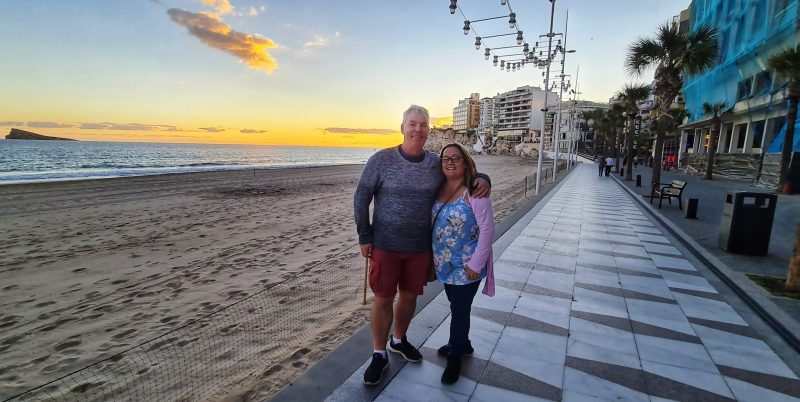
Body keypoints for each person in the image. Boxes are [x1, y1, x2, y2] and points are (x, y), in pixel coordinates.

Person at [354, 105, 491, 386]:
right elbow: (361, 197)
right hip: (384, 245)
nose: (418, 129)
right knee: (382, 299)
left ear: (429, 129)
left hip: (419, 248)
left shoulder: (434, 163)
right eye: (413, 124)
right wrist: (364, 237)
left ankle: (399, 340)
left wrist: (483, 179)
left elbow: (461, 174)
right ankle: (378, 354)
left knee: (409, 297)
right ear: (402, 127)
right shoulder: (381, 160)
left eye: (423, 125)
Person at [432, 143, 495, 385]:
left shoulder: (475, 192)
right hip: (444, 265)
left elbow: (488, 230)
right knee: (455, 305)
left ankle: (455, 357)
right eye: (445, 158)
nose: (449, 162)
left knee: (460, 311)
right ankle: (464, 343)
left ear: (466, 163)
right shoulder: (438, 188)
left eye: (456, 158)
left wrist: (476, 265)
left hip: (468, 265)